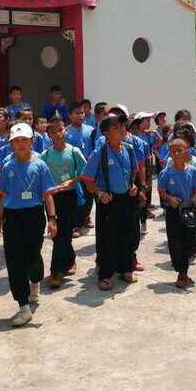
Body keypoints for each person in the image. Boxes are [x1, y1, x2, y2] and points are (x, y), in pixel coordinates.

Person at [0, 122, 58, 327]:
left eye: (24, 140)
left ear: (32, 142)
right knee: (14, 261)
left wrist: (52, 219)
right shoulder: (7, 167)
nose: (21, 144)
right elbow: (3, 196)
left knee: (33, 257)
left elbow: (47, 194)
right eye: (16, 141)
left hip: (34, 215)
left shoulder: (40, 165)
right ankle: (23, 306)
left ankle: (35, 281)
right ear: (11, 144)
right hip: (12, 217)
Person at [80, 115, 139, 291]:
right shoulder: (100, 153)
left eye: (122, 126)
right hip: (108, 200)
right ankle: (105, 274)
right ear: (106, 133)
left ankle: (125, 269)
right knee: (107, 238)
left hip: (127, 199)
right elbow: (87, 180)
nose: (121, 129)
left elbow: (133, 172)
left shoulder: (129, 149)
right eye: (115, 127)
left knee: (128, 235)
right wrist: (100, 193)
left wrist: (133, 186)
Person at [41, 118, 87, 288]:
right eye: (53, 132)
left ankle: (56, 271)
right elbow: (41, 176)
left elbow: (85, 173)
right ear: (49, 135)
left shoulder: (74, 151)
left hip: (69, 196)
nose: (58, 134)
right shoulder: (46, 155)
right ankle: (70, 259)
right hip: (51, 198)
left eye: (60, 130)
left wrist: (72, 181)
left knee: (64, 232)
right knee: (56, 233)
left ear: (65, 130)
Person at [157, 138, 196, 289]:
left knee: (191, 242)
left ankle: (185, 267)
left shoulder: (193, 171)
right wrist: (169, 198)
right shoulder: (166, 173)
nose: (176, 153)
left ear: (186, 152)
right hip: (173, 212)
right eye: (173, 151)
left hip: (188, 211)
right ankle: (181, 273)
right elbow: (161, 191)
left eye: (179, 150)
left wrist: (193, 204)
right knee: (175, 241)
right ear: (169, 154)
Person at [66, 102, 95, 234]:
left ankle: (86, 217)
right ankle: (76, 225)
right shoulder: (66, 132)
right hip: (74, 170)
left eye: (82, 113)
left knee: (89, 195)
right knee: (78, 195)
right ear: (70, 115)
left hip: (89, 168)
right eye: (77, 113)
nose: (80, 115)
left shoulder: (91, 130)